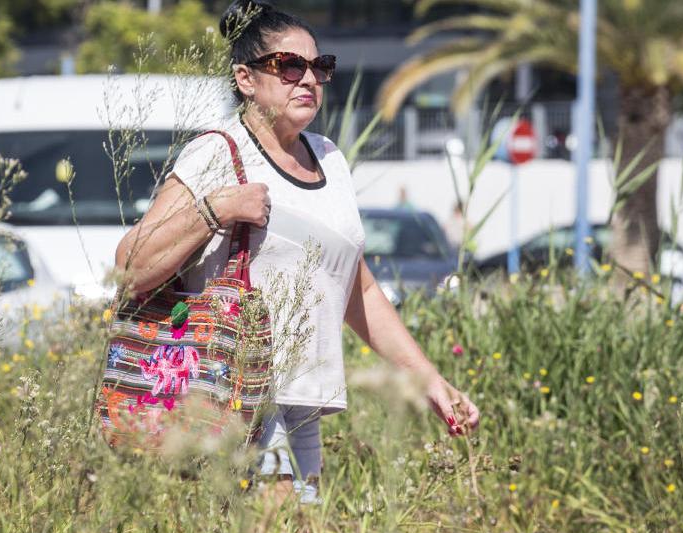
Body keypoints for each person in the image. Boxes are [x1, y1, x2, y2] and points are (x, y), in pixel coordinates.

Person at [114, 0, 480, 504]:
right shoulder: (220, 151)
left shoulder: (330, 156)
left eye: (319, 67)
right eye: (289, 66)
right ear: (246, 78)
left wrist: (430, 381)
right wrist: (216, 208)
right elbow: (130, 266)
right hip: (237, 394)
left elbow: (358, 287)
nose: (308, 79)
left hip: (302, 399)